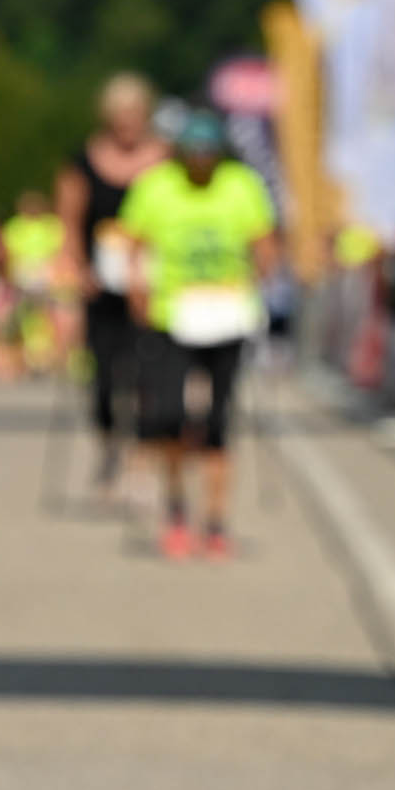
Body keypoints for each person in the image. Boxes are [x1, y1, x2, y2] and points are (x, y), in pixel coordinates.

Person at [118, 109, 277, 558]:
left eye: (208, 154)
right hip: (173, 315)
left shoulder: (240, 185)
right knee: (169, 415)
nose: (201, 161)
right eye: (193, 153)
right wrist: (137, 290)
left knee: (218, 421)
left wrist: (258, 277)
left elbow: (264, 244)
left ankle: (216, 520)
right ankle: (176, 511)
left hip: (226, 314)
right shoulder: (156, 186)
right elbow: (133, 245)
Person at [56, 73, 168, 486]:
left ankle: (144, 444)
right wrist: (78, 268)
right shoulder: (83, 161)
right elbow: (70, 221)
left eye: (135, 114)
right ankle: (108, 441)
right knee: (104, 373)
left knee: (148, 367)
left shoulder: (166, 158)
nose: (128, 123)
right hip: (102, 283)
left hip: (153, 282)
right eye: (121, 115)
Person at [0, 188, 71, 376]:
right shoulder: (15, 227)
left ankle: (47, 356)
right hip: (23, 280)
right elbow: (7, 255)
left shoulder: (51, 226)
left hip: (47, 281)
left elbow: (60, 253)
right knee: (24, 319)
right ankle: (26, 357)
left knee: (49, 318)